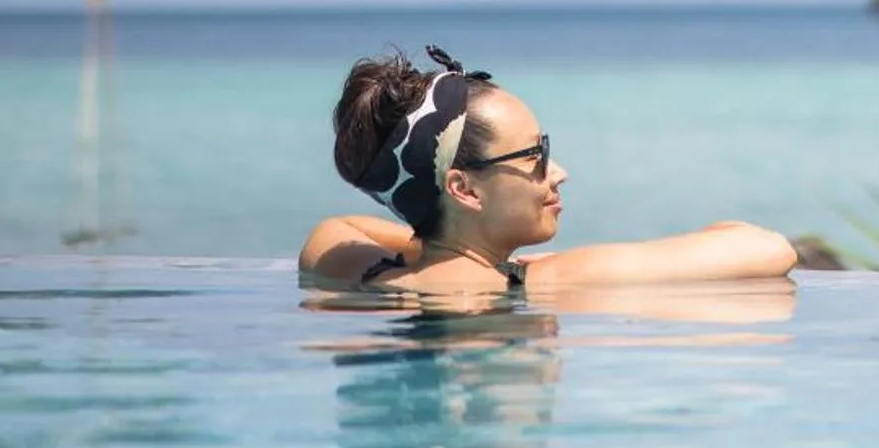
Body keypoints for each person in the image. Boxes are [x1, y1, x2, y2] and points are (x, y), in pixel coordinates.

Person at [298, 46, 799, 296]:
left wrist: (444, 250)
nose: (558, 172)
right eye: (534, 157)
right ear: (463, 189)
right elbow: (770, 249)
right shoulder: (552, 285)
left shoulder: (353, 271)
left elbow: (338, 229)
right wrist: (515, 272)